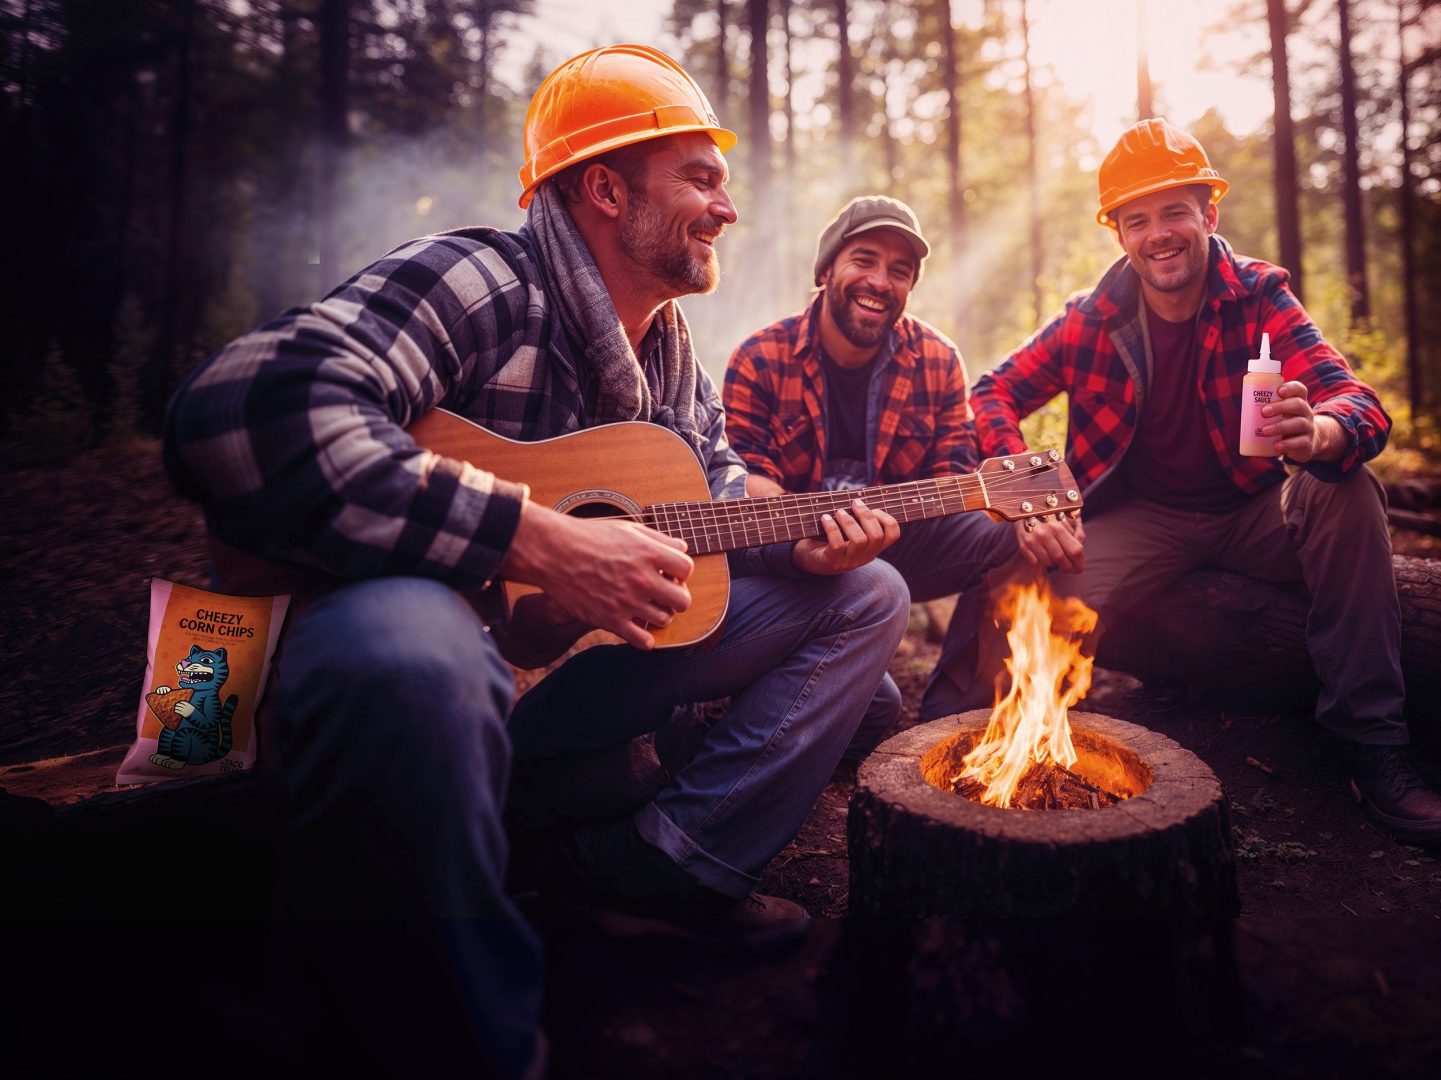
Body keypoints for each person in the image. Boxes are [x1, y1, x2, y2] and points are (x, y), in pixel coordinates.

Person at [162, 44, 909, 1077]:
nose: (724, 208)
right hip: (370, 653)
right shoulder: (481, 279)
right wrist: (534, 539)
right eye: (699, 177)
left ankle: (657, 874)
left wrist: (814, 539)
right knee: (420, 654)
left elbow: (723, 496)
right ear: (605, 188)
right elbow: (240, 408)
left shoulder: (667, 354)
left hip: (541, 673)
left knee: (867, 592)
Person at [960, 117, 1441, 843]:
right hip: (1138, 518)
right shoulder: (1089, 319)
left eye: (1174, 212)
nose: (1159, 233)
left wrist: (1320, 432)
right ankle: (1002, 753)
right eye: (1137, 218)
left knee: (1343, 488)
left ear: (1207, 215)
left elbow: (1358, 402)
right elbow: (990, 392)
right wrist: (1031, 501)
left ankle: (1371, 748)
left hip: (1256, 513)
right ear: (1119, 234)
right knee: (1020, 587)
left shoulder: (1258, 297)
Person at [723, 195, 1017, 755]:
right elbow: (745, 481)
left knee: (1008, 535)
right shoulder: (760, 357)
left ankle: (949, 724)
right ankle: (731, 694)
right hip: (798, 558)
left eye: (899, 271)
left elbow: (953, 473)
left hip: (900, 538)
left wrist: (989, 495)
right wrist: (810, 538)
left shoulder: (938, 358)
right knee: (874, 710)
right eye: (864, 260)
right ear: (827, 269)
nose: (881, 281)